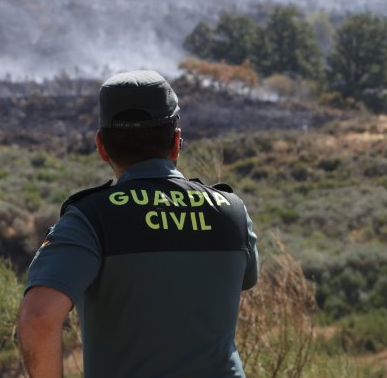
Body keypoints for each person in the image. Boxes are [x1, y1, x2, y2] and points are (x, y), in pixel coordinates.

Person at [17, 70, 258, 378]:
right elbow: (246, 279)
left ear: (102, 147)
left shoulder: (91, 219)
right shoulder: (232, 212)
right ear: (176, 142)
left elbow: (39, 318)